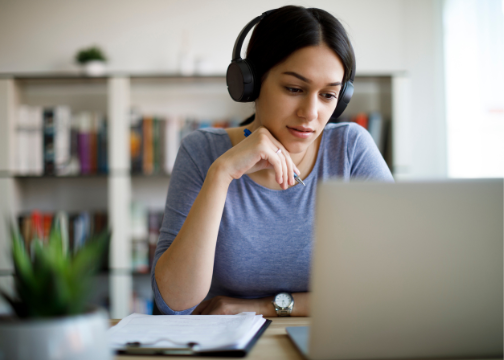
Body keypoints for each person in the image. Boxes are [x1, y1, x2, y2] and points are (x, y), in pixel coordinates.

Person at [152, 5, 394, 316]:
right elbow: (173, 302)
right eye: (294, 89)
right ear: (249, 83)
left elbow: (393, 283)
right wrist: (222, 173)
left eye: (328, 95)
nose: (310, 113)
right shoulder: (201, 152)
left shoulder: (350, 149)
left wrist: (263, 307)